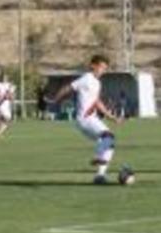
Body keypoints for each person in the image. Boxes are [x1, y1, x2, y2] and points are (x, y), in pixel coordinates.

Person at [48, 55, 123, 184]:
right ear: (93, 65)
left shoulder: (97, 83)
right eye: (101, 67)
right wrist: (55, 99)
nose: (103, 70)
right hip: (85, 119)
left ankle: (100, 176)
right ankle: (98, 157)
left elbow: (97, 101)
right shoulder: (86, 78)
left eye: (105, 68)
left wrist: (111, 117)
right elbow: (68, 88)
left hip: (91, 119)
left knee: (109, 143)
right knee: (108, 136)